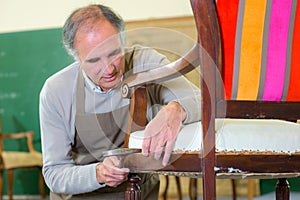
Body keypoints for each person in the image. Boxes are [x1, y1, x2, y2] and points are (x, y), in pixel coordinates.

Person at [39, 4, 200, 199]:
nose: (109, 70)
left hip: (139, 192)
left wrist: (176, 109)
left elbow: (201, 100)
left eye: (114, 53)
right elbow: (54, 173)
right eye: (93, 60)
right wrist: (98, 173)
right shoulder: (56, 91)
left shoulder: (144, 62)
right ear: (76, 57)